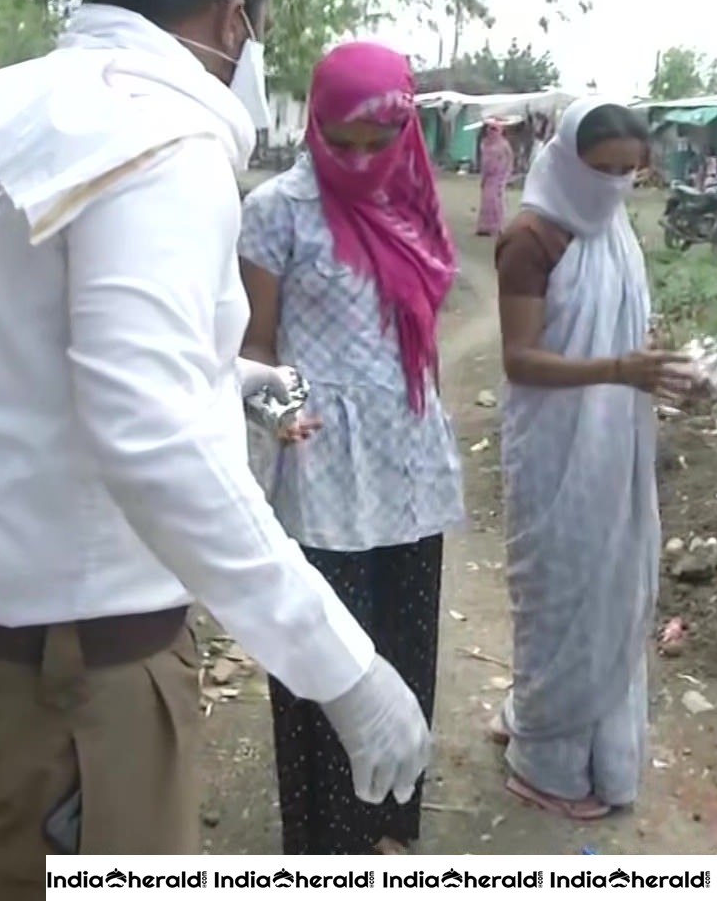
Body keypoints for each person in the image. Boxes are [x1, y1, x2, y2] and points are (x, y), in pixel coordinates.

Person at [0, 0, 428, 894]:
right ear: (233, 20)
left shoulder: (32, 116)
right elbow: (147, 430)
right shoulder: (155, 138)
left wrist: (236, 379)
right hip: (59, 671)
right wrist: (340, 665)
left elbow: (26, 360)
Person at [239, 42, 463, 854]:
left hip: (406, 457)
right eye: (344, 143)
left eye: (380, 143)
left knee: (406, 648)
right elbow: (258, 342)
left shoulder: (413, 206)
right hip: (323, 461)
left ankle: (388, 833)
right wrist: (277, 417)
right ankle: (326, 842)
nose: (362, 161)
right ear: (314, 129)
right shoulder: (277, 211)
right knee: (326, 660)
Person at [489, 99, 698, 820]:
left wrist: (663, 367)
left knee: (610, 591)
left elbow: (629, 334)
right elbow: (521, 360)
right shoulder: (530, 238)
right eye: (599, 169)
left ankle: (565, 734)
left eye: (626, 173)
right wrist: (617, 368)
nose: (611, 186)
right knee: (561, 590)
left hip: (614, 442)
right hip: (553, 448)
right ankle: (544, 757)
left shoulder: (614, 234)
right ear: (566, 160)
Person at [477, 119, 514, 236]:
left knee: (496, 200)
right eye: (490, 128)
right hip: (488, 175)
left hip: (499, 176)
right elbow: (483, 160)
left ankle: (497, 227)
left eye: (495, 129)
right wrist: (483, 175)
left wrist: (507, 174)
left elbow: (510, 159)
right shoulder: (485, 143)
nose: (492, 132)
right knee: (486, 200)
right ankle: (484, 227)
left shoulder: (504, 144)